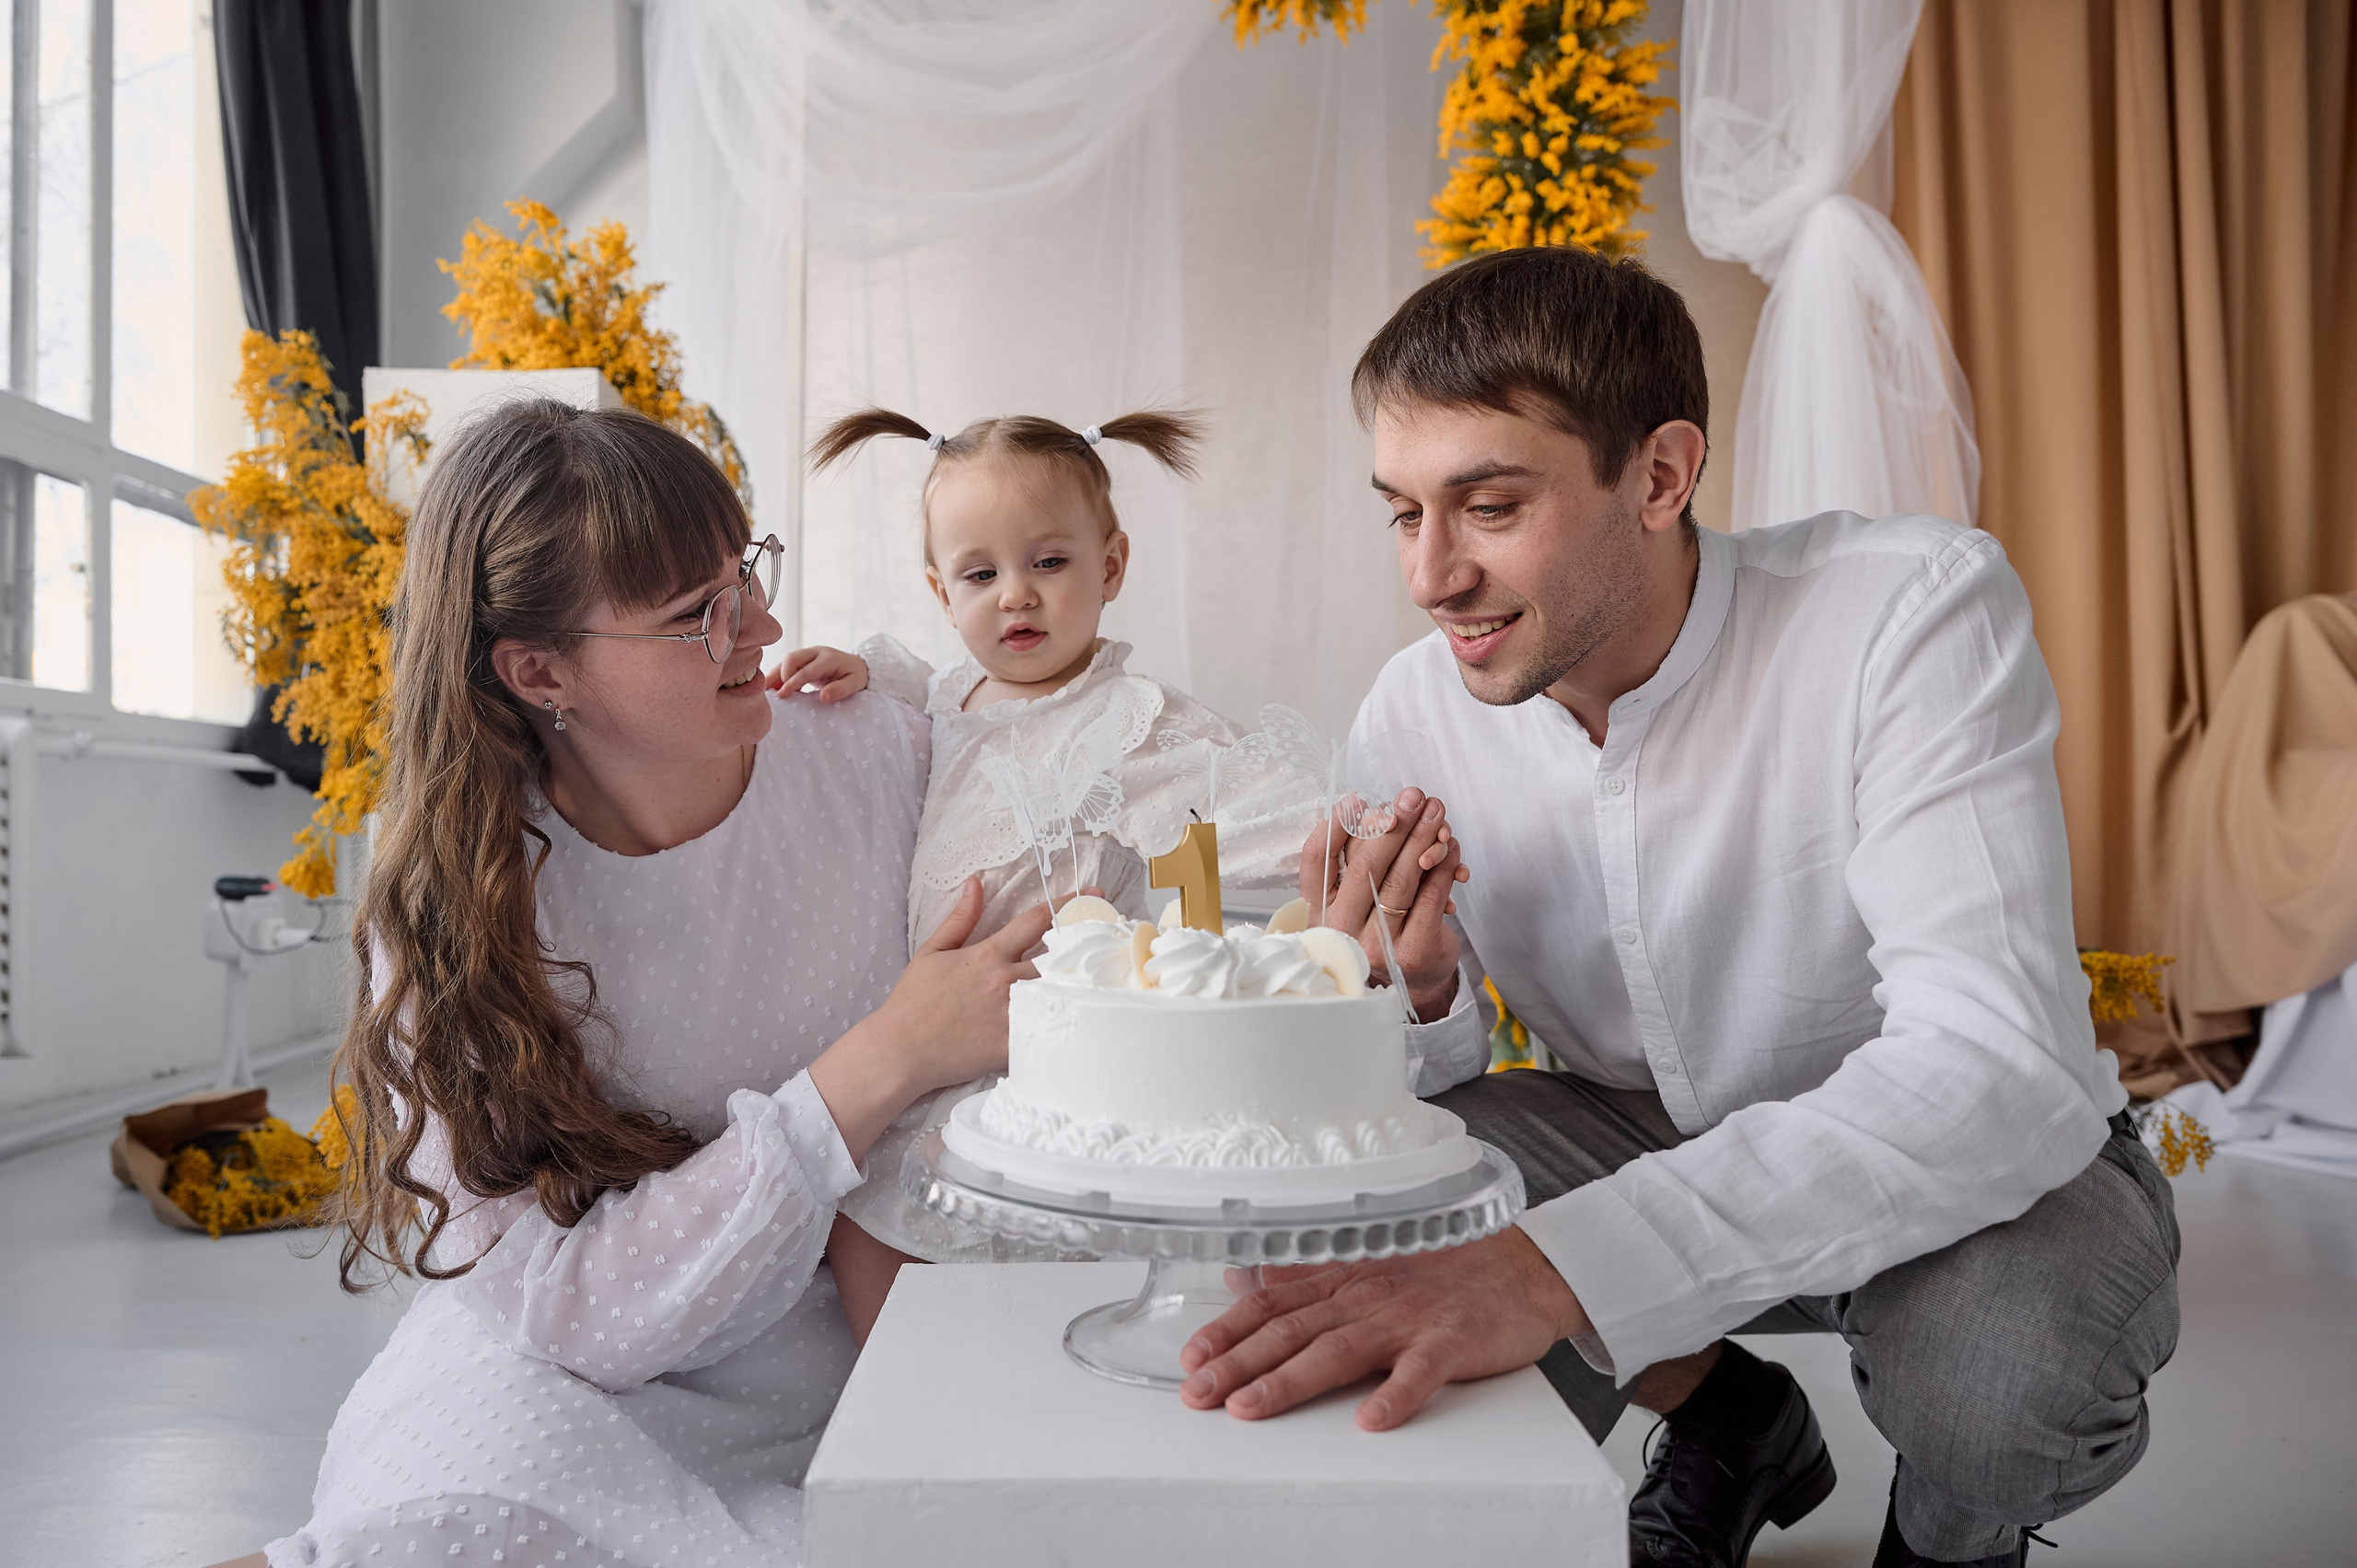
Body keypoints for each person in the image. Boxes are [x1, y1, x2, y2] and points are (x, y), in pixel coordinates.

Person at [1177, 247, 2180, 1568]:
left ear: (1660, 475)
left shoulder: (1906, 612)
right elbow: (1438, 1078)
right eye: (1402, 512)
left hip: (1985, 1158)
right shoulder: (1414, 709)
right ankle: (1732, 1419)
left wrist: (1552, 1272)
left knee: (2004, 1392)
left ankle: (1951, 1535)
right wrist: (1412, 997)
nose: (1429, 577)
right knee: (1364, 1218)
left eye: (1486, 505)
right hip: (1629, 1120)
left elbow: (1990, 1064)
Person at [226, 401, 1047, 1568]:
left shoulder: (879, 755)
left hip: (853, 1328)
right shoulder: (451, 917)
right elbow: (560, 1304)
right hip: (558, 1365)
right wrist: (881, 1058)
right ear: (541, 670)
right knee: (420, 1537)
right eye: (696, 615)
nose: (761, 622)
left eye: (746, 572)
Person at [780, 407, 1478, 1330]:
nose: (1016, 596)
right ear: (940, 590)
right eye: (981, 574)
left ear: (1110, 564)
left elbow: (1260, 798)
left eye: (1049, 562)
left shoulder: (1134, 719)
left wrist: (1363, 831)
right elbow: (910, 681)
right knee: (872, 1246)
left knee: (1037, 1275)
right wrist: (858, 667)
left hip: (1041, 1052)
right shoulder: (943, 695)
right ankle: (902, 1434)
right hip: (921, 1044)